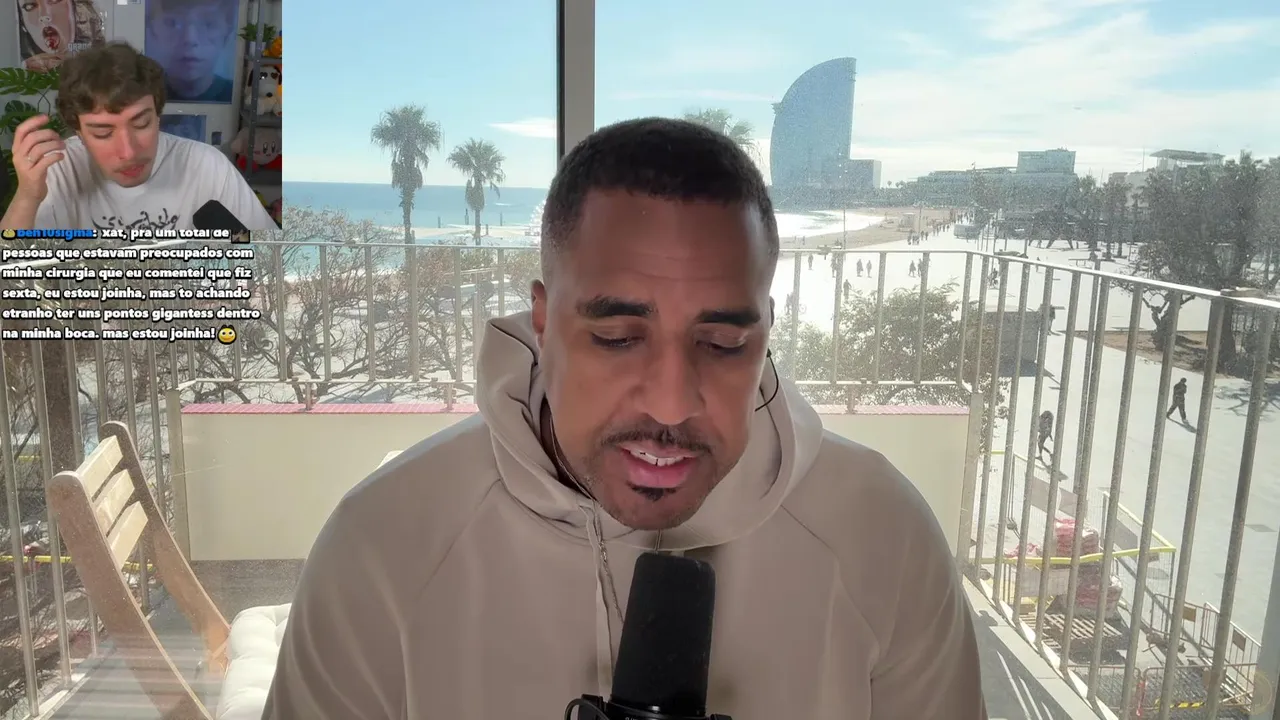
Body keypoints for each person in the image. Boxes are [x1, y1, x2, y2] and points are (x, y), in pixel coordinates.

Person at [264, 118, 986, 718]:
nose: (671, 402)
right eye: (616, 337)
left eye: (722, 344)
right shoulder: (385, 546)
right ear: (543, 321)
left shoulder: (880, 534)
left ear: (766, 332)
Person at [0, 42, 275, 235]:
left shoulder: (207, 167)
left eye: (141, 123)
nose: (129, 152)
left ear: (158, 114)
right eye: (103, 133)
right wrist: (27, 197)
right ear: (78, 133)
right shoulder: (59, 169)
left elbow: (277, 262)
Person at [144, 0, 236, 103]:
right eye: (172, 23)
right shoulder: (140, 94)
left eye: (208, 24)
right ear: (152, 29)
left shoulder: (238, 96)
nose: (190, 39)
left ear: (227, 33)